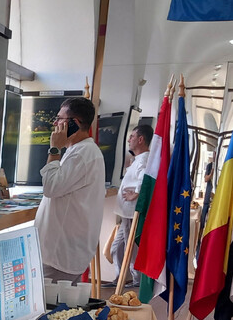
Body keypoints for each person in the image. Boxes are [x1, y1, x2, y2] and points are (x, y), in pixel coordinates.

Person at [34, 97, 105, 284]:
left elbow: (50, 187)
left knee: (50, 302)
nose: (55, 124)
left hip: (59, 256)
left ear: (74, 123)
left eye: (59, 119)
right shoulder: (79, 151)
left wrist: (54, 148)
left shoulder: (82, 154)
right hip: (60, 252)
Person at [103, 124, 153, 288]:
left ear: (140, 139)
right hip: (126, 212)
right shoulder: (139, 159)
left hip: (132, 212)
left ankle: (134, 279)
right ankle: (122, 277)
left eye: (132, 137)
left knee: (130, 247)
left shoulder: (144, 159)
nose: (129, 140)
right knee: (117, 247)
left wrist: (136, 193)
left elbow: (144, 178)